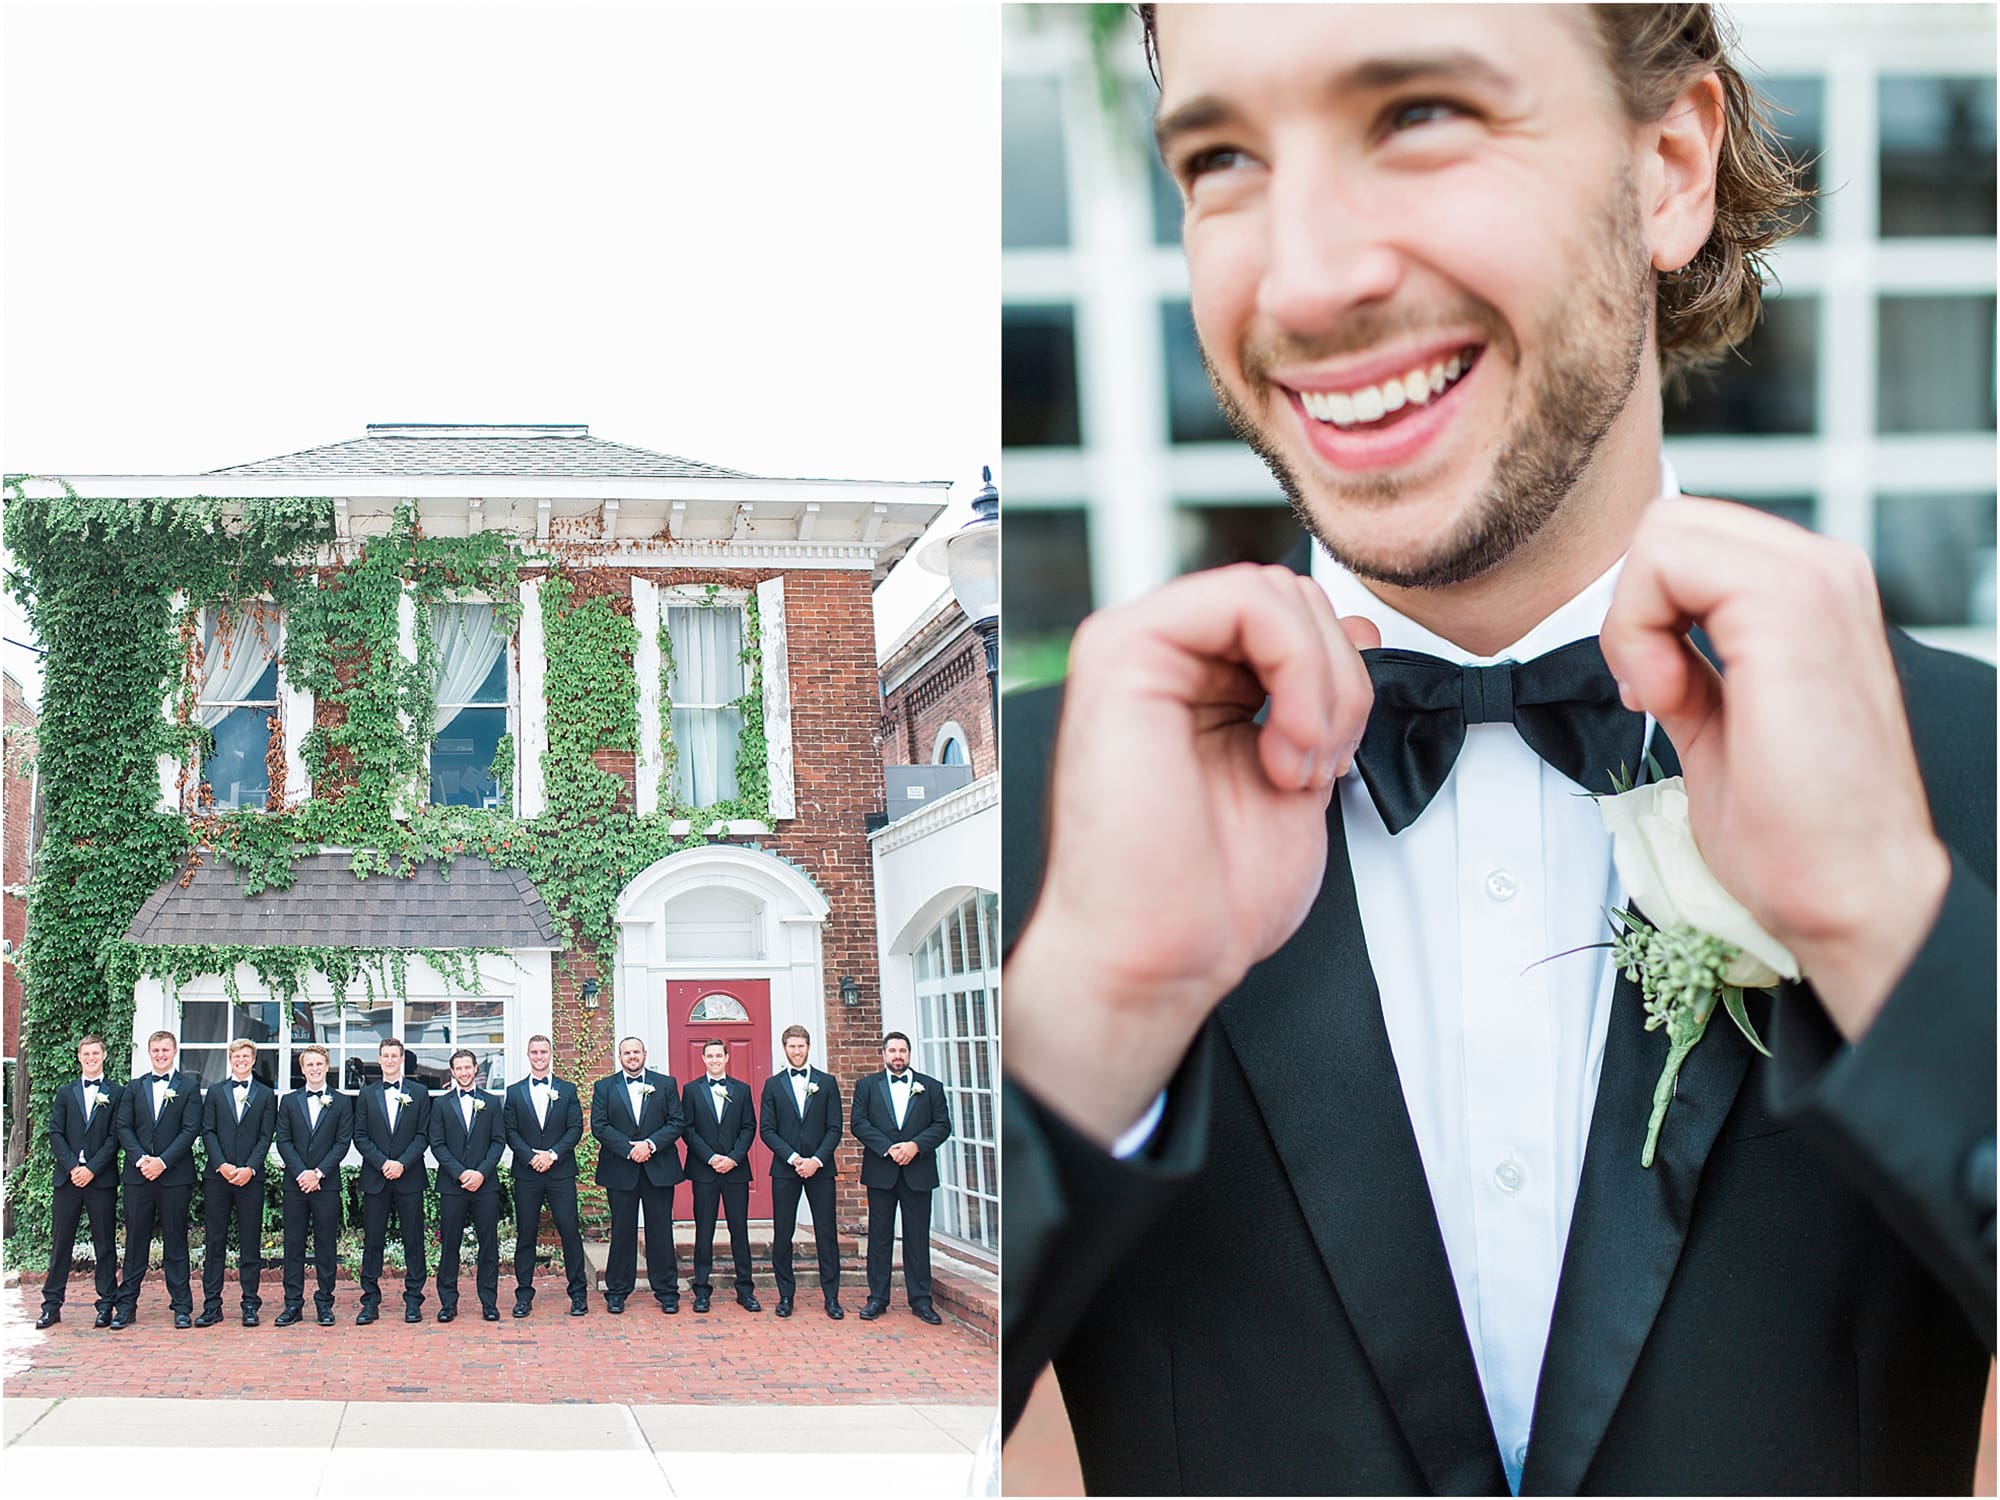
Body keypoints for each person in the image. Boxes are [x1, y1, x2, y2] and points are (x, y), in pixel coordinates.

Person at [1002, 6, 1995, 1495]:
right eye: (1223, 155)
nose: (1310, 276)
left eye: (1418, 116)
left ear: (1669, 165)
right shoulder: (1030, 825)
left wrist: (1896, 937)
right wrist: (1076, 1039)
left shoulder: (1971, 778)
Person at [851, 1031, 952, 1325]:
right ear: (883, 1054)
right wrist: (888, 1148)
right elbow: (859, 1123)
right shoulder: (867, 1086)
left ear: (909, 1054)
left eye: (903, 1050)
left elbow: (942, 1125)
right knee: (879, 1238)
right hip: (881, 1171)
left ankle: (921, 1300)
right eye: (893, 1050)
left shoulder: (931, 1087)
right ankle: (877, 1299)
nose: (898, 1055)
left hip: (918, 1172)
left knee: (917, 1238)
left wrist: (915, 1146)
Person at [110, 1029, 203, 1329]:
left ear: (174, 1052)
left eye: (165, 1050)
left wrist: (162, 1162)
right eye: (156, 1051)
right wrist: (141, 1160)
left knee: (176, 1241)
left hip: (174, 1177)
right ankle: (126, 1306)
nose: (161, 1055)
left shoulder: (188, 1088)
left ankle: (181, 1306)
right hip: (139, 1177)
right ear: (149, 1053)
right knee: (136, 1242)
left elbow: (190, 1130)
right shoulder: (133, 1088)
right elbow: (123, 1127)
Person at [589, 1036, 685, 1315]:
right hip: (620, 1168)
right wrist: (630, 1150)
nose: (632, 1056)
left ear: (645, 1053)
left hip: (659, 1168)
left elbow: (676, 1121)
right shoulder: (605, 1087)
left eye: (636, 1052)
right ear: (619, 1057)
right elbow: (599, 1125)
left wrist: (650, 1145)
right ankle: (617, 1290)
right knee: (622, 1231)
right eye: (626, 1053)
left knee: (660, 1231)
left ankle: (667, 1291)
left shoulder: (665, 1084)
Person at [760, 1023, 844, 1320]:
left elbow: (835, 1127)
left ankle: (831, 1296)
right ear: (784, 1049)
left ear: (809, 1047)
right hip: (785, 1170)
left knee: (826, 1232)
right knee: (783, 1232)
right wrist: (795, 1158)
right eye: (792, 1046)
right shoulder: (773, 1084)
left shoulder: (827, 1083)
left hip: (820, 1169)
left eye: (801, 1046)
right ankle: (786, 1295)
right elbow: (767, 1130)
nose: (797, 1051)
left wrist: (816, 1160)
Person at [38, 1035, 122, 1330]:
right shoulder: (65, 1092)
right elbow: (55, 1133)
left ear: (104, 1055)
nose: (91, 1058)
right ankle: (51, 1305)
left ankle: (106, 1304)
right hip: (68, 1179)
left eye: (95, 1053)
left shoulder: (117, 1092)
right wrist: (74, 1166)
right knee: (61, 1244)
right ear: (79, 1057)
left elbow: (116, 1137)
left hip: (101, 1181)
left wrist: (92, 1169)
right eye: (86, 1054)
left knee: (105, 1245)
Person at [503, 1034, 589, 1317]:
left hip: (560, 1172)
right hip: (527, 1174)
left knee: (569, 1231)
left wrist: (551, 1155)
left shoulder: (567, 1089)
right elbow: (510, 1132)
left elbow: (575, 1128)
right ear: (528, 1055)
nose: (539, 1056)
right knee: (526, 1234)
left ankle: (578, 1294)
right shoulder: (514, 1092)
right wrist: (531, 1157)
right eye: (534, 1052)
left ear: (551, 1054)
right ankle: (524, 1296)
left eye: (543, 1052)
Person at [195, 1039, 276, 1327]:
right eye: (236, 1056)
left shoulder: (266, 1095)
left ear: (253, 1060)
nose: (241, 1060)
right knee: (214, 1242)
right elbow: (208, 1131)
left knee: (250, 1243)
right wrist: (222, 1165)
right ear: (230, 1059)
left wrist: (250, 1168)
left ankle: (250, 1304)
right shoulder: (216, 1092)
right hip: (218, 1177)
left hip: (250, 1179)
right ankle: (211, 1305)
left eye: (246, 1056)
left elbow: (266, 1136)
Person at [352, 1036, 432, 1325]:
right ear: (379, 1059)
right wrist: (383, 1163)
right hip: (376, 1177)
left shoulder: (420, 1093)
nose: (389, 1061)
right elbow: (359, 1135)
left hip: (409, 1177)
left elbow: (424, 1135)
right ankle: (370, 1302)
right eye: (384, 1056)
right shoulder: (367, 1094)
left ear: (401, 1060)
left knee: (414, 1241)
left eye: (393, 1056)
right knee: (373, 1242)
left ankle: (414, 1301)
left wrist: (401, 1163)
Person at [274, 1044, 353, 1327]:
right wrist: (301, 1173)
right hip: (295, 1185)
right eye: (310, 1065)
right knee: (292, 1245)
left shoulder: (342, 1102)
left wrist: (318, 1173)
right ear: (302, 1068)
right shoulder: (289, 1101)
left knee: (326, 1245)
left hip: (326, 1183)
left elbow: (342, 1142)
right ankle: (292, 1304)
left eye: (319, 1064)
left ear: (326, 1065)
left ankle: (324, 1303)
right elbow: (283, 1140)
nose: (315, 1069)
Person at [681, 1038, 760, 1315]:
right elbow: (687, 1129)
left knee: (739, 1230)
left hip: (735, 1170)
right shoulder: (691, 1090)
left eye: (719, 1055)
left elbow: (749, 1127)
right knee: (704, 1231)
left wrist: (733, 1158)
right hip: (704, 1170)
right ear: (703, 1059)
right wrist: (711, 1157)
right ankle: (701, 1290)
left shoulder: (742, 1090)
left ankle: (746, 1290)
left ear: (727, 1057)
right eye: (710, 1056)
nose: (714, 1060)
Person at [429, 1046, 505, 1322]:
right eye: (458, 1068)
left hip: (485, 1185)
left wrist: (481, 1173)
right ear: (452, 1072)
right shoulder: (440, 1104)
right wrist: (461, 1174)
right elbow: (436, 1144)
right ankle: (448, 1303)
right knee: (450, 1245)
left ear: (476, 1070)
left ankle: (489, 1302)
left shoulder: (492, 1102)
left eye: (467, 1067)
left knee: (488, 1245)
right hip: (452, 1185)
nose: (463, 1072)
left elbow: (498, 1141)